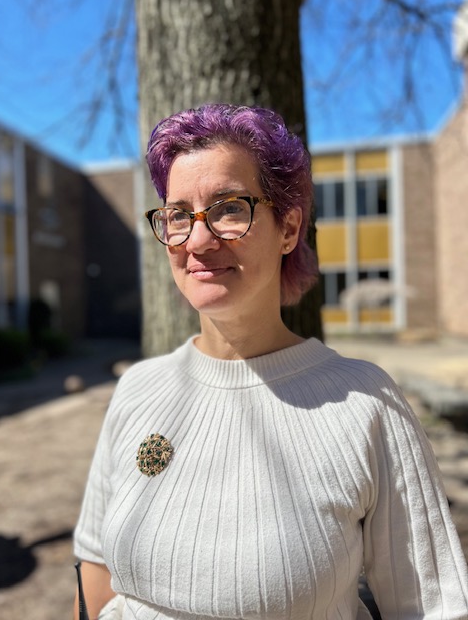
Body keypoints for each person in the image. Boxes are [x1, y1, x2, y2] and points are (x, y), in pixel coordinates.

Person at [73, 103, 468, 620]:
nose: (198, 239)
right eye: (177, 214)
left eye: (229, 208)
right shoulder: (139, 389)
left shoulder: (366, 405)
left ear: (287, 228)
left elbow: (433, 608)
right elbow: (95, 565)